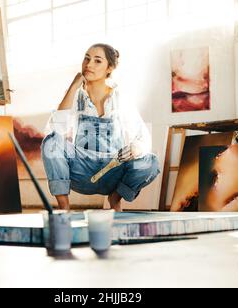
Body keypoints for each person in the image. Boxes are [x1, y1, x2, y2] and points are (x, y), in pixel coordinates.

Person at [41, 43, 160, 212]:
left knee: (151, 162)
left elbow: (143, 136)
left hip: (113, 169)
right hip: (81, 170)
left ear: (109, 68)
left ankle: (115, 198)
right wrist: (73, 88)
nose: (88, 65)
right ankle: (64, 209)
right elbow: (55, 130)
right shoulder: (75, 95)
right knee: (51, 142)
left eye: (97, 61)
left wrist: (136, 148)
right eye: (86, 58)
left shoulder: (120, 97)